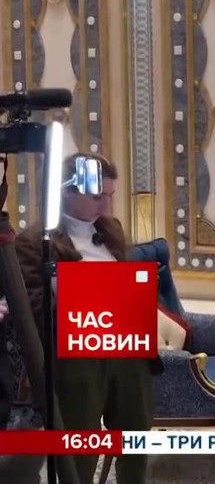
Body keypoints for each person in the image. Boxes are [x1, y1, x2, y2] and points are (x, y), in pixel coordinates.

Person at [16, 153, 154, 484]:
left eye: (110, 195)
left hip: (125, 345)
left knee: (135, 436)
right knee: (81, 447)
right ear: (67, 190)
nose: (106, 206)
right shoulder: (34, 242)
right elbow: (31, 313)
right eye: (97, 196)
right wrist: (76, 295)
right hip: (77, 355)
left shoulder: (111, 229)